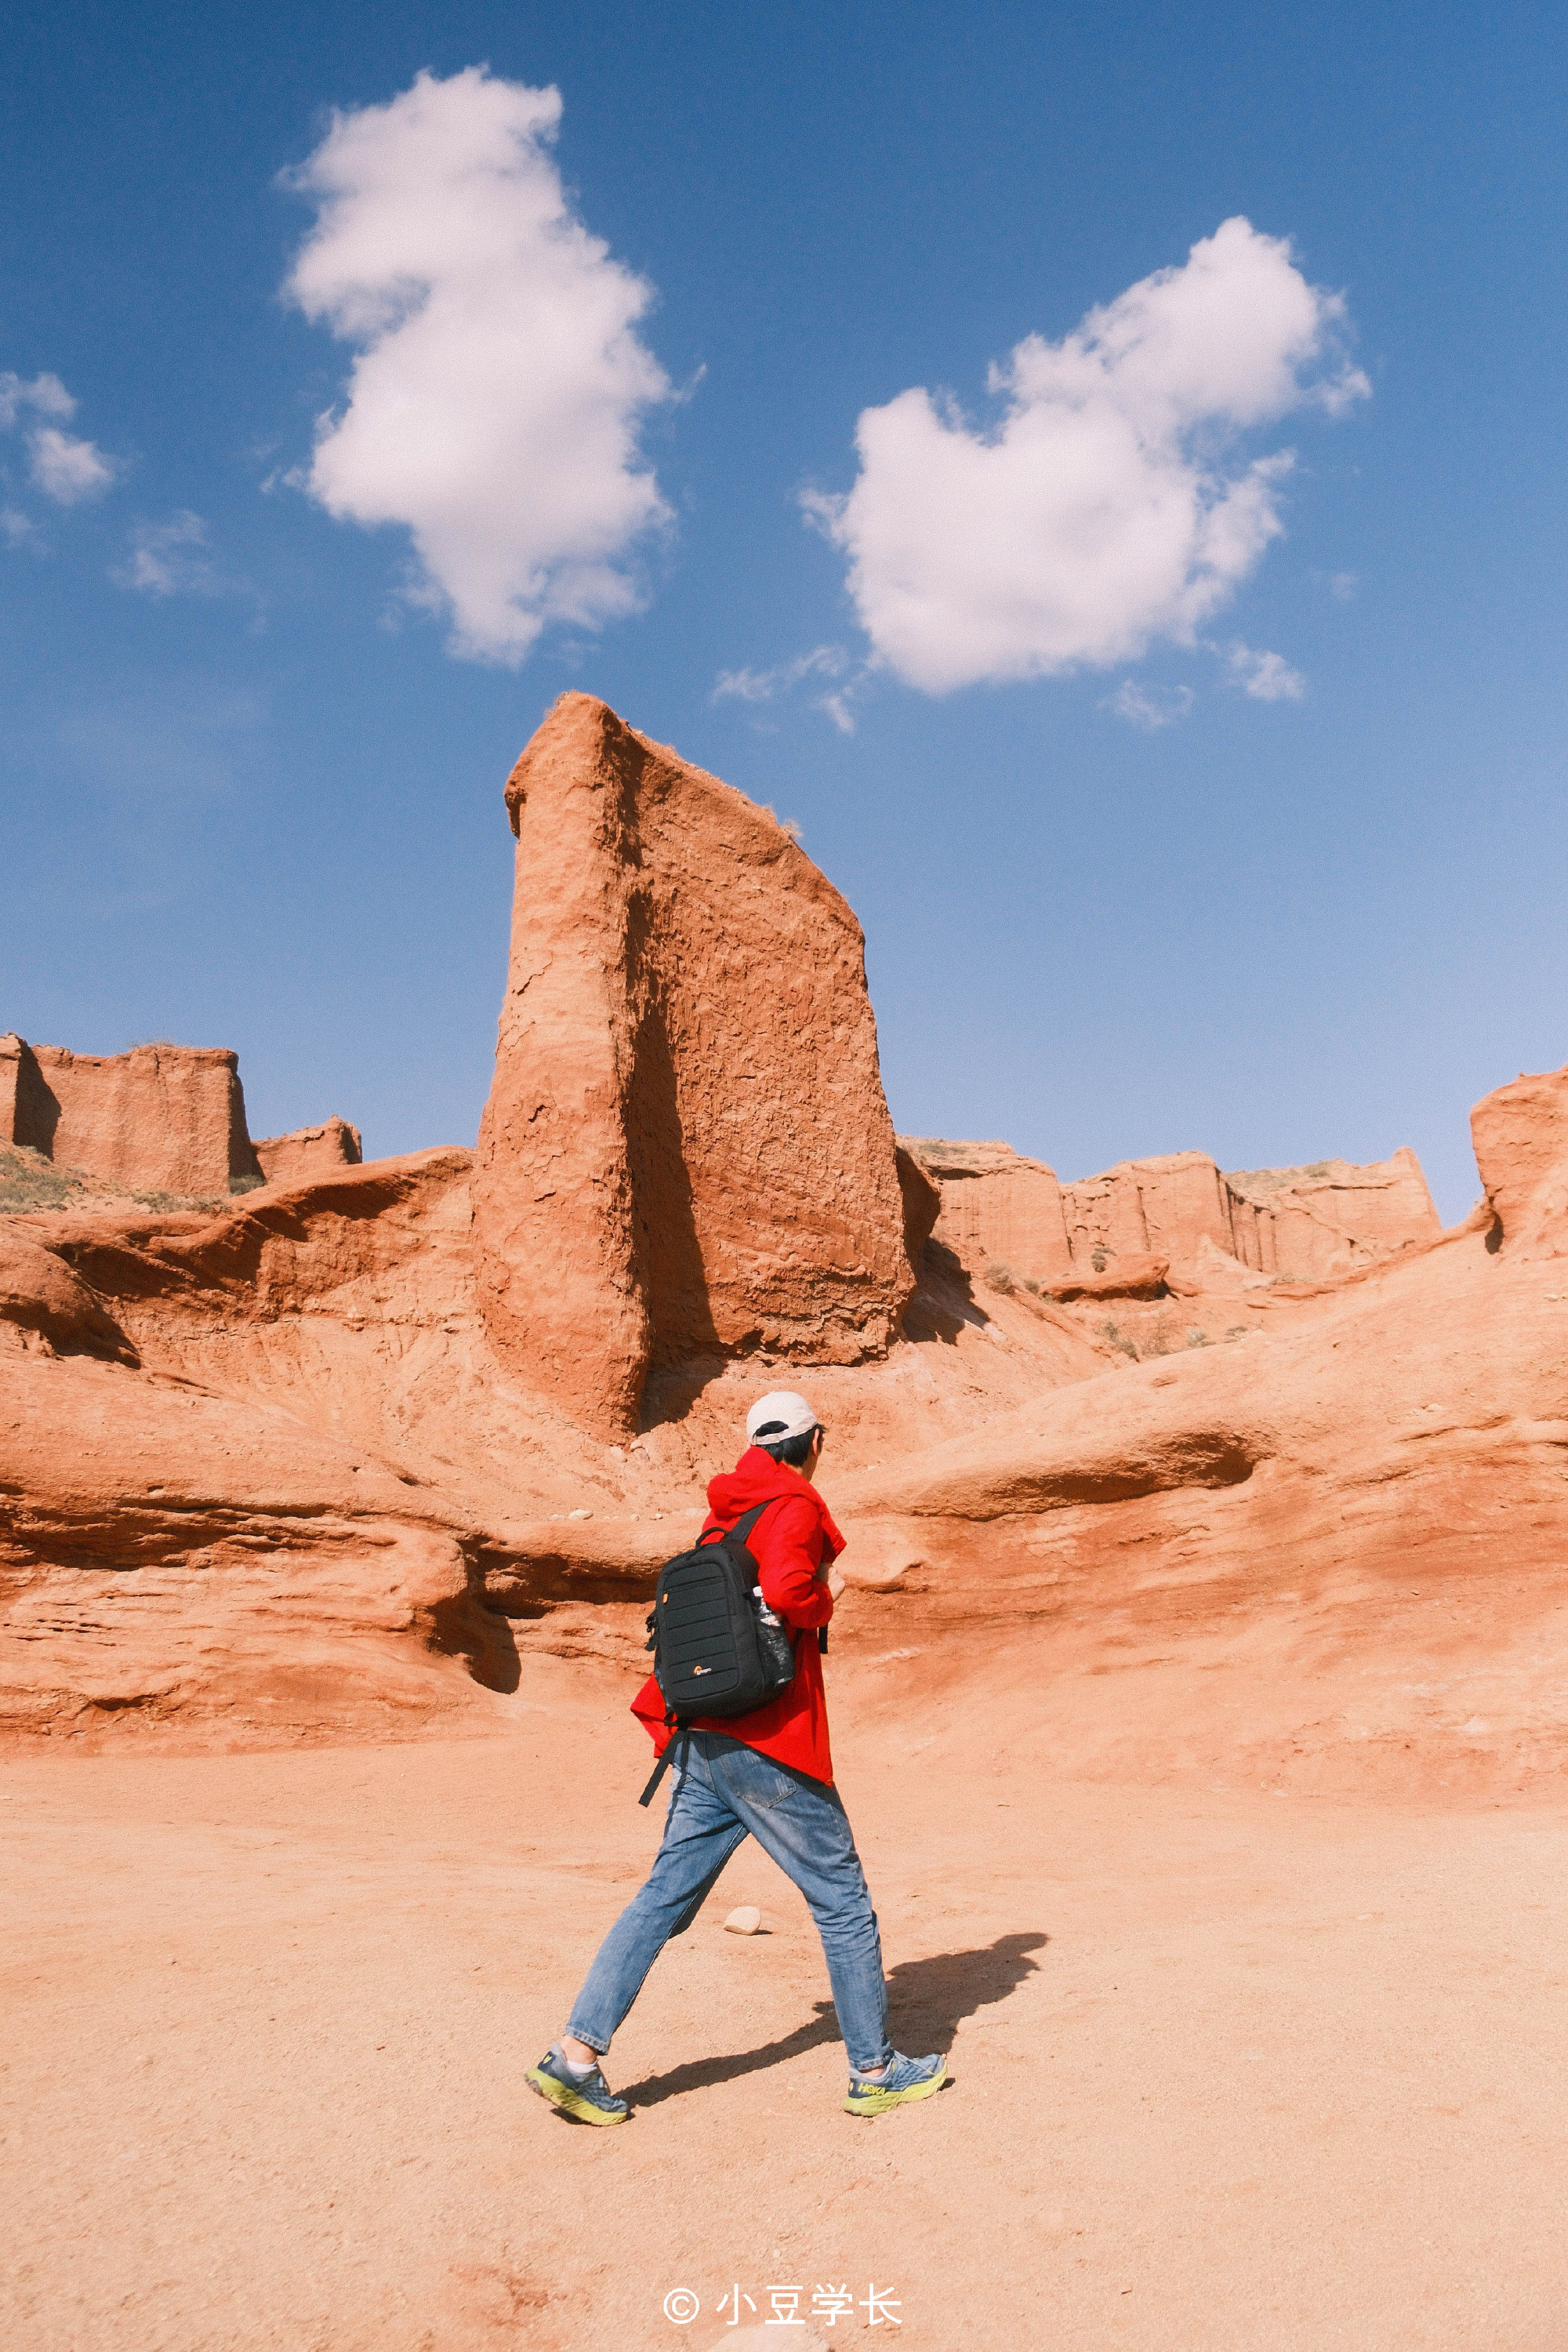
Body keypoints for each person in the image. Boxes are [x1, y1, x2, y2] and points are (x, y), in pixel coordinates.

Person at [526, 1390, 946, 2125]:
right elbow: (788, 1591)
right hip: (771, 1744)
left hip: (704, 1735)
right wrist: (825, 1597)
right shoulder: (796, 1506)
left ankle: (574, 2056)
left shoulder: (725, 1515)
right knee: (843, 1903)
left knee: (661, 1901)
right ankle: (874, 2071)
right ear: (812, 1440)